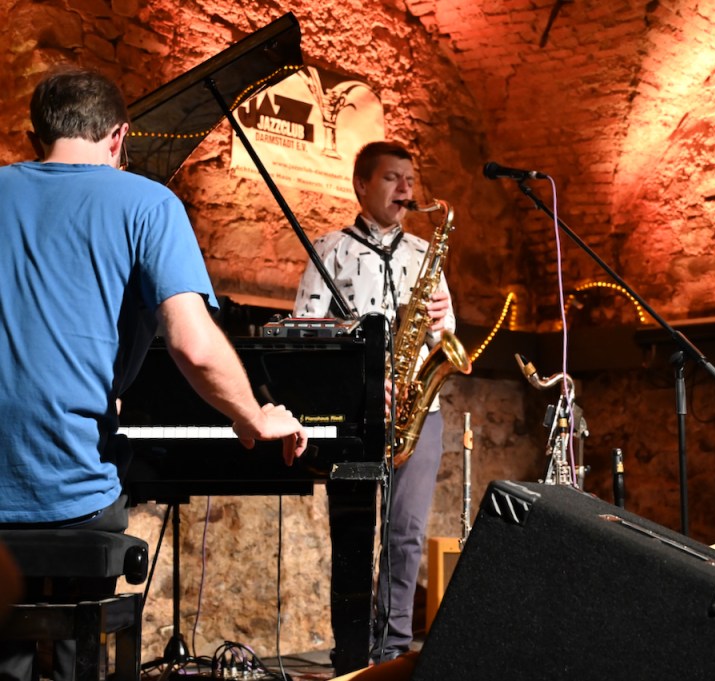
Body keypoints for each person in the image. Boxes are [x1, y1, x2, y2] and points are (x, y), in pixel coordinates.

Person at [0, 67, 307, 681]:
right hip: (72, 494)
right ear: (120, 137)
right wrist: (252, 415)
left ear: (36, 138)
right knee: (76, 624)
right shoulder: (147, 202)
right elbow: (193, 346)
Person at [293, 140, 455, 664]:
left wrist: (442, 320)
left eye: (409, 178)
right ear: (361, 185)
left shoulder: (426, 254)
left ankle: (393, 653)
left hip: (419, 412)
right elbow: (306, 336)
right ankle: (350, 654)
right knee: (353, 534)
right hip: (354, 413)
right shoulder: (329, 249)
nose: (405, 189)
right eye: (391, 178)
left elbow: (446, 337)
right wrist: (360, 377)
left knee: (406, 535)